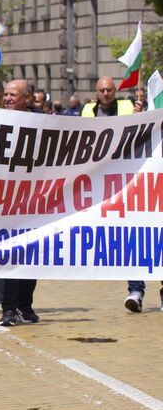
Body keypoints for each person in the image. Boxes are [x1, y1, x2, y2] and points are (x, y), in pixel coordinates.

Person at [80, 75, 146, 311]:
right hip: (104, 184)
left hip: (133, 178)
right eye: (102, 90)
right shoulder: (87, 111)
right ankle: (136, 290)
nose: (106, 94)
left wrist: (142, 115)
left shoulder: (128, 107)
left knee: (143, 233)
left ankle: (141, 289)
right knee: (128, 237)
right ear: (96, 92)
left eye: (109, 90)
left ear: (115, 91)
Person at [0, 79, 41, 326]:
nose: (8, 98)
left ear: (27, 98)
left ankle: (25, 305)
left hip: (33, 202)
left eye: (13, 94)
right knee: (7, 256)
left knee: (30, 256)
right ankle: (8, 308)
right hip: (3, 201)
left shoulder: (45, 123)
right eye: (6, 94)